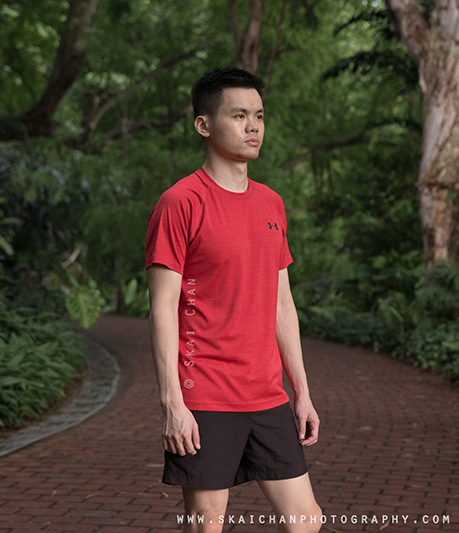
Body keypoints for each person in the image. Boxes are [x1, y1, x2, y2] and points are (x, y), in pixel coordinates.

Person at [144, 67, 322, 533]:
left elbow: (283, 304)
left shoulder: (271, 203)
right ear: (204, 125)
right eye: (239, 115)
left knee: (306, 521)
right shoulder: (180, 202)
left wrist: (300, 393)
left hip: (266, 395)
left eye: (259, 116)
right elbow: (162, 307)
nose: (253, 127)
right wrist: (172, 404)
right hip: (205, 396)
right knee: (207, 524)